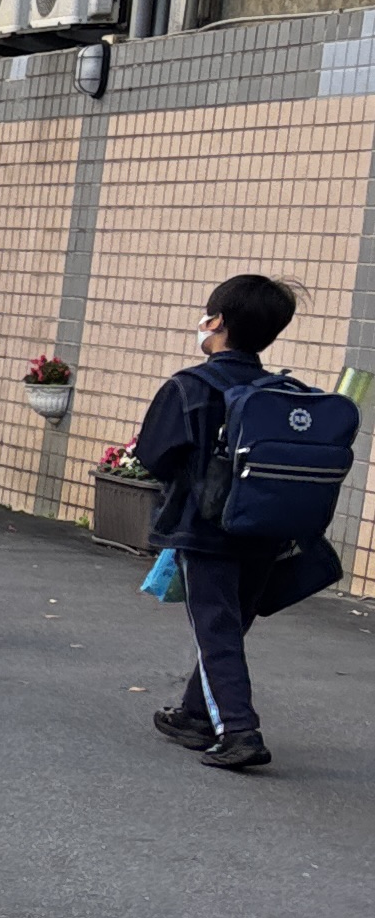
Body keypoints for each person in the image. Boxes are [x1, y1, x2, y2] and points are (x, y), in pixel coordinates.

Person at [138, 273, 330, 774]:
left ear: (217, 321)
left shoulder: (190, 386)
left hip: (208, 530)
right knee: (227, 626)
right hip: (269, 530)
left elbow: (154, 455)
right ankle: (195, 715)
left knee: (215, 628)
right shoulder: (286, 392)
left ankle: (239, 732)